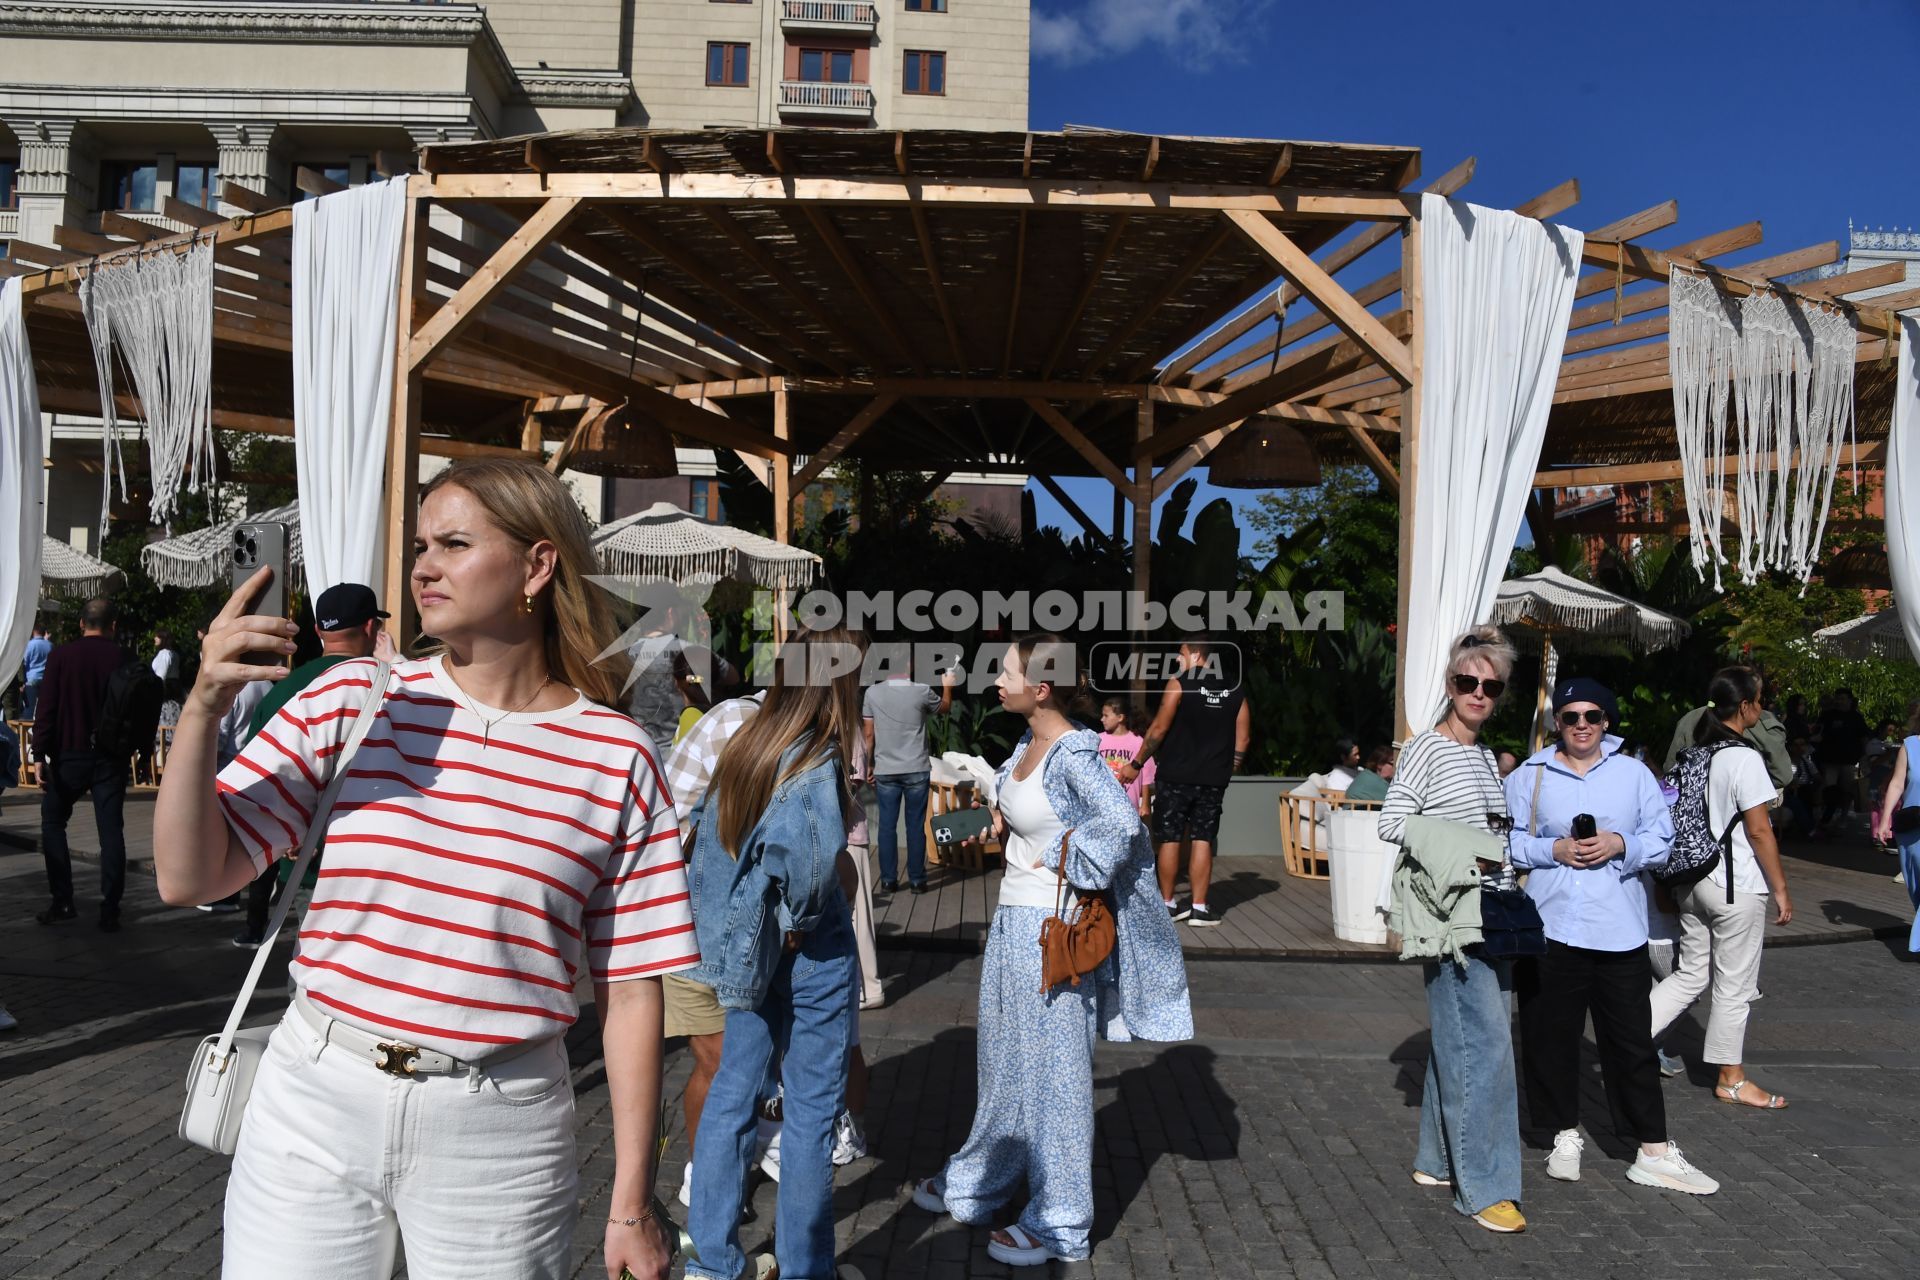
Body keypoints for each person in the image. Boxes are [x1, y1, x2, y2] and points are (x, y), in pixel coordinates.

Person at [154, 459, 690, 1279]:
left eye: (454, 543)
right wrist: (201, 709)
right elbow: (189, 878)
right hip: (315, 1097)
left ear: (538, 567)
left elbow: (630, 989)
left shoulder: (612, 758)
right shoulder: (354, 702)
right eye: (419, 546)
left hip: (500, 1133)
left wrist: (630, 1201)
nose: (422, 566)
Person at [911, 634, 1192, 1268]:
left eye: (1007, 672)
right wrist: (1000, 825)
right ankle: (980, 1181)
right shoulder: (1025, 746)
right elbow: (1034, 818)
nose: (997, 680)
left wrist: (1063, 856)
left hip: (1054, 932)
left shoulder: (1072, 753)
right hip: (1014, 925)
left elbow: (1120, 828)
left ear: (1040, 689)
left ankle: (1061, 1222)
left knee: (1058, 1079)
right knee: (1005, 1063)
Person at [682, 624, 863, 1280]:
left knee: (734, 1089)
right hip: (807, 948)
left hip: (747, 949)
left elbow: (709, 851)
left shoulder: (748, 745)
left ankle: (712, 1263)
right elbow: (810, 872)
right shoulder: (816, 757)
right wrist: (798, 921)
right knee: (812, 1110)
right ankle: (805, 1269)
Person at [1506, 677, 1718, 1195]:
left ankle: (1653, 1150)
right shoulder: (1530, 775)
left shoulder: (1632, 774)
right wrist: (1550, 851)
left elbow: (1663, 840)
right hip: (1550, 926)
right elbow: (1505, 839)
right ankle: (1562, 1133)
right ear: (1557, 721)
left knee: (1631, 1043)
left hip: (1619, 929)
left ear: (1607, 721)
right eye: (1571, 716)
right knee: (1547, 1038)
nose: (1582, 725)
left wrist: (1620, 842)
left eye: (1592, 716)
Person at [1378, 625, 1526, 1234]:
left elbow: (1496, 832)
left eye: (1490, 687)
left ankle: (1437, 1160)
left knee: (1464, 1044)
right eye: (1468, 682)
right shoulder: (1428, 749)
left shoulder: (1483, 755)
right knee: (1487, 1049)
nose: (1479, 694)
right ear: (1450, 684)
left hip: (1493, 910)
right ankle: (1484, 1186)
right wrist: (1474, 852)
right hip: (1451, 916)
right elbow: (1393, 821)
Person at [1648, 667, 1795, 1112]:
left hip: (1692, 883)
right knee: (1734, 985)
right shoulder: (1744, 758)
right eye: (1760, 700)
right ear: (1746, 707)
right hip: (1735, 885)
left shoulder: (1695, 755)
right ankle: (1731, 1079)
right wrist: (1782, 888)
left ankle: (1626, 1039)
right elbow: (1760, 831)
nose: (1763, 706)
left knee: (1691, 974)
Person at [226, 583, 388, 949]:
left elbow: (258, 777)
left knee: (310, 971)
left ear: (317, 631)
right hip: (374, 861)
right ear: (370, 628)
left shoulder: (285, 690)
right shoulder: (390, 687)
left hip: (303, 863)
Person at [1119, 635, 1250, 927]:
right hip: (1213, 778)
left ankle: (1167, 903)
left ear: (1195, 654)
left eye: (1180, 653)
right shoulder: (1234, 687)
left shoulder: (1180, 682)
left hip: (1176, 774)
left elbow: (1159, 728)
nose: (1178, 659)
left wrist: (1137, 764)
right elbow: (1243, 736)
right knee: (1203, 837)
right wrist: (1230, 768)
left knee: (1170, 836)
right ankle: (1200, 908)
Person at [31, 596, 135, 932]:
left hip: (69, 754)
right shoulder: (124, 658)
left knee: (52, 822)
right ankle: (111, 909)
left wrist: (38, 755)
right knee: (110, 831)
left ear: (81, 623)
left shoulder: (62, 656)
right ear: (113, 626)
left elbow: (46, 709)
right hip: (111, 757)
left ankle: (63, 900)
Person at [862, 665, 954, 894]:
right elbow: (945, 708)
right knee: (915, 826)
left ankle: (888, 880)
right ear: (910, 666)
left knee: (886, 826)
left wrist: (868, 764)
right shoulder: (922, 691)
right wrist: (947, 686)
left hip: (885, 769)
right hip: (916, 768)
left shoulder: (872, 693)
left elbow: (869, 734)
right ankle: (916, 881)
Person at [1666, 680, 1794, 791]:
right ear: (1744, 705)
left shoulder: (1689, 719)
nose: (1761, 707)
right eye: (1760, 700)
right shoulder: (1747, 757)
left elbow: (1670, 771)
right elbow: (1782, 776)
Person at [1870, 702, 1920, 954]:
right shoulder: (1910, 746)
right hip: (1912, 827)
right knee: (1916, 887)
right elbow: (1897, 785)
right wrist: (1885, 819)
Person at [1815, 688, 1870, 829]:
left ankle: (1843, 817)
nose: (1840, 701)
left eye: (1843, 698)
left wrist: (1864, 756)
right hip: (1829, 760)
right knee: (1829, 789)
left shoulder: (1856, 717)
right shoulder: (1828, 715)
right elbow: (1818, 732)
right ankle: (1827, 815)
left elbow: (1864, 737)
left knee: (1847, 790)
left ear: (1850, 700)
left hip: (1849, 761)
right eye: (1838, 698)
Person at [1096, 696, 1154, 819]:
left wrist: (1144, 804)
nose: (1102, 719)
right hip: (1101, 805)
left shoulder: (1138, 742)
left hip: (1129, 807)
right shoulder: (1096, 739)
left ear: (1120, 718)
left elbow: (1147, 776)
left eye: (1106, 716)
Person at [20, 622, 51, 720]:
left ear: (34, 632)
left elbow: (24, 663)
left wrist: (22, 681)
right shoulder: (50, 645)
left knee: (29, 708)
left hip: (31, 679)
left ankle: (25, 733)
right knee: (43, 709)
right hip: (46, 679)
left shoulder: (29, 645)